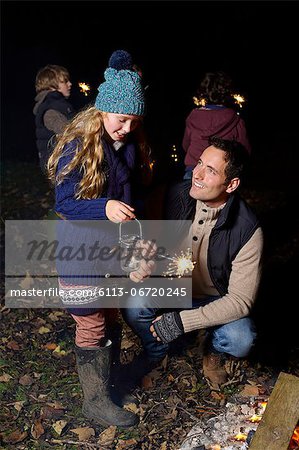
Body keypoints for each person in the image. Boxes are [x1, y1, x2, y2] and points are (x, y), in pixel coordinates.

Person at [47, 50, 154, 427]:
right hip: (78, 253)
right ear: (103, 111)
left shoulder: (122, 149)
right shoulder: (79, 146)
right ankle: (94, 402)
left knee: (109, 317)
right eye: (121, 119)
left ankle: (108, 386)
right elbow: (65, 202)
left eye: (134, 121)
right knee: (90, 323)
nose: (127, 127)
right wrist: (103, 208)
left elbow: (127, 205)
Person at [122, 136, 263, 388]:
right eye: (199, 163)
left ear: (231, 184)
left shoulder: (248, 229)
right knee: (134, 303)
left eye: (210, 171)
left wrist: (181, 322)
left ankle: (213, 351)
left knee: (241, 339)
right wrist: (138, 259)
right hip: (174, 287)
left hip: (218, 297)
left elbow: (241, 301)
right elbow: (136, 230)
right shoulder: (175, 194)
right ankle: (156, 350)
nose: (196, 174)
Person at [182, 71, 251, 180]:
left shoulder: (194, 116)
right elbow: (245, 151)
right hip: (220, 175)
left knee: (186, 197)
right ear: (228, 93)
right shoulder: (236, 120)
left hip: (194, 171)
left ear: (204, 92)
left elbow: (186, 145)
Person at [33, 64, 75, 174]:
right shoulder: (50, 110)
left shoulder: (58, 105)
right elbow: (70, 133)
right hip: (61, 168)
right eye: (65, 81)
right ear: (52, 86)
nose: (70, 84)